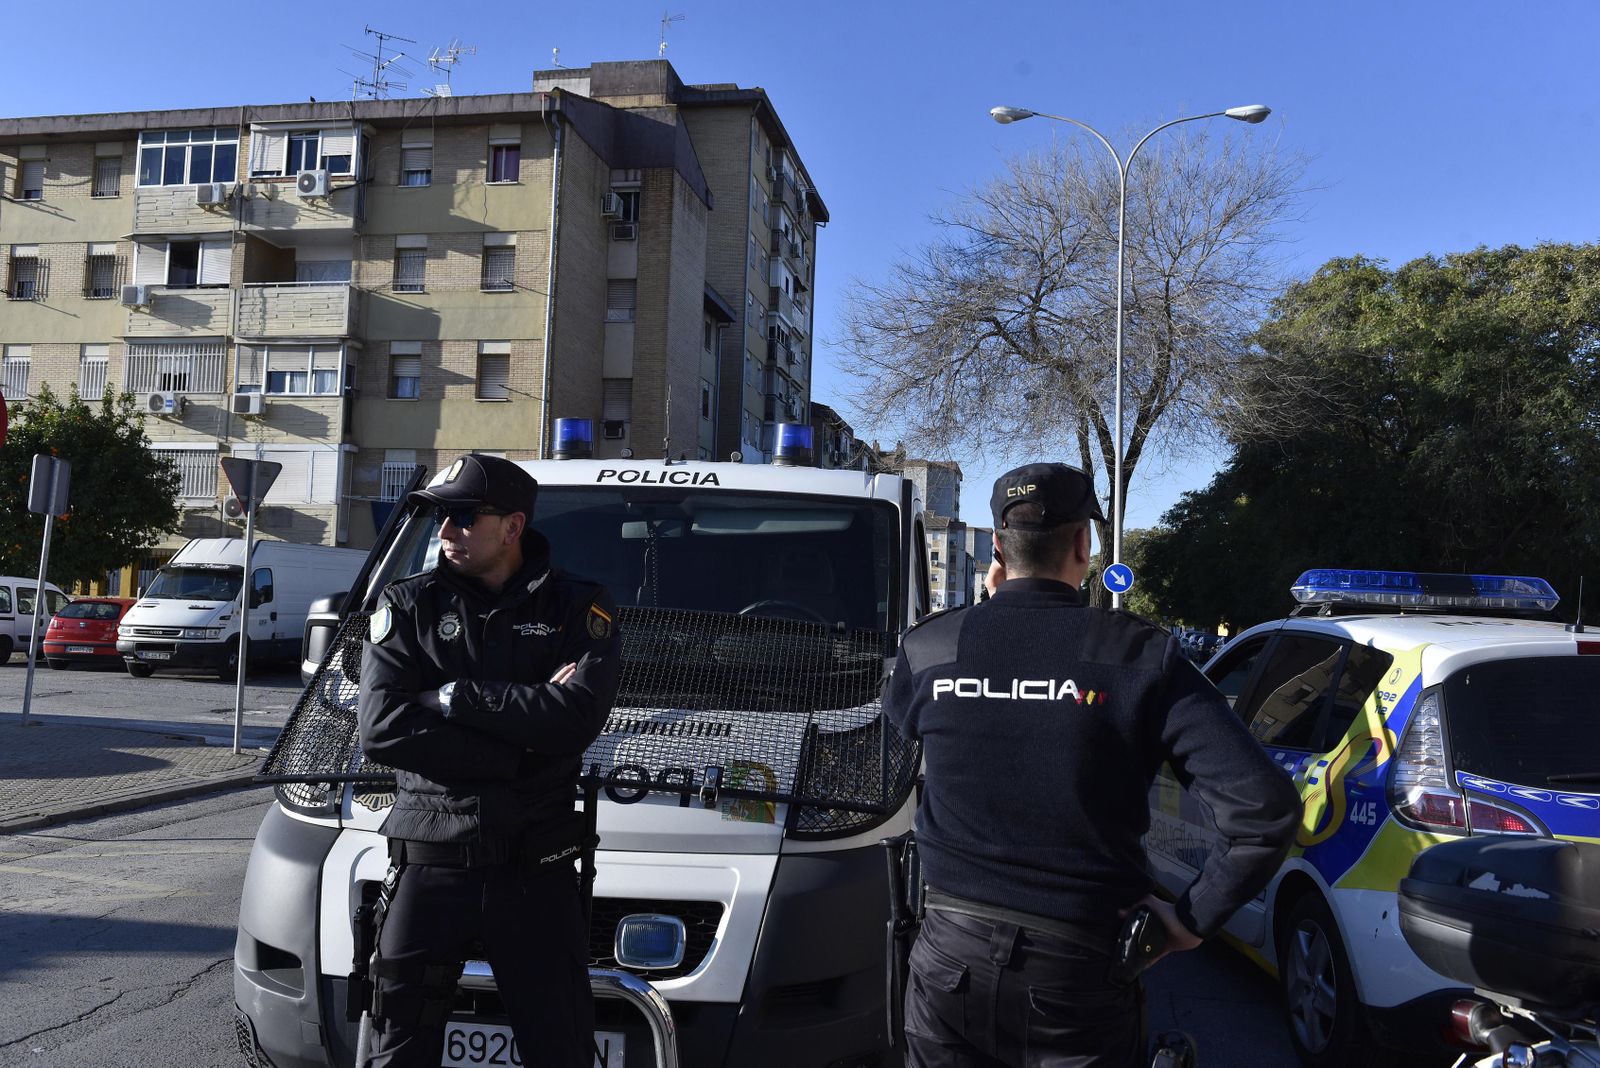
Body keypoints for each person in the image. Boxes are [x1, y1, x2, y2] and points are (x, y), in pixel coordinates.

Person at [884, 462, 1300, 1067]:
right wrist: (1190, 919)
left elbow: (909, 762)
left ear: (997, 545)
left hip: (949, 961)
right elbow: (1265, 808)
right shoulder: (1137, 656)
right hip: (1079, 973)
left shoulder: (930, 649)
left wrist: (989, 621)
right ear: (1084, 545)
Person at [357, 453, 623, 1068]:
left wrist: (452, 697)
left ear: (513, 526)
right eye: (439, 519)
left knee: (560, 1048)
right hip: (430, 866)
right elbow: (385, 729)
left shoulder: (578, 608)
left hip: (537, 870)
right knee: (396, 1049)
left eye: (462, 519)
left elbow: (577, 719)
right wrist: (525, 742)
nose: (445, 533)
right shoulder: (409, 607)